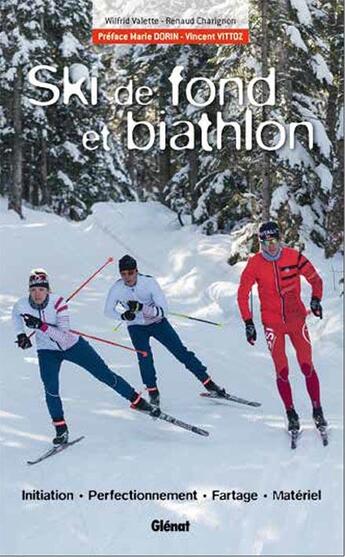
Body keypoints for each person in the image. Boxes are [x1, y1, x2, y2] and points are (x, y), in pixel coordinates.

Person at [12, 269, 155, 445]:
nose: (37, 294)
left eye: (41, 289)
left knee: (104, 375)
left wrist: (41, 326)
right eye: (33, 290)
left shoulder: (58, 303)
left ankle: (136, 400)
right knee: (50, 388)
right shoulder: (22, 304)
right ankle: (61, 429)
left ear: (48, 290)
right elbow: (16, 314)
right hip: (47, 351)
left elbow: (64, 338)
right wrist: (21, 335)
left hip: (72, 346)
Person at [237, 221, 327, 433]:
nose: (270, 246)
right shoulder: (255, 264)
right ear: (260, 243)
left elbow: (315, 279)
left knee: (306, 365)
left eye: (274, 240)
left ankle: (317, 409)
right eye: (265, 242)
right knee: (282, 370)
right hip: (272, 323)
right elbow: (242, 293)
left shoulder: (293, 256)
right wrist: (248, 322)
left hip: (296, 319)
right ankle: (290, 412)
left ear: (280, 239)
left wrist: (316, 300)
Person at [104, 255, 225, 407]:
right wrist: (123, 315)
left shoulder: (149, 283)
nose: (127, 277)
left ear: (136, 271)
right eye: (123, 274)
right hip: (136, 326)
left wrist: (142, 308)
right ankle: (153, 393)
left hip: (157, 322)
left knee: (180, 352)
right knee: (144, 358)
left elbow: (162, 311)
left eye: (130, 272)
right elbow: (108, 311)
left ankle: (209, 383)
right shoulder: (117, 288)